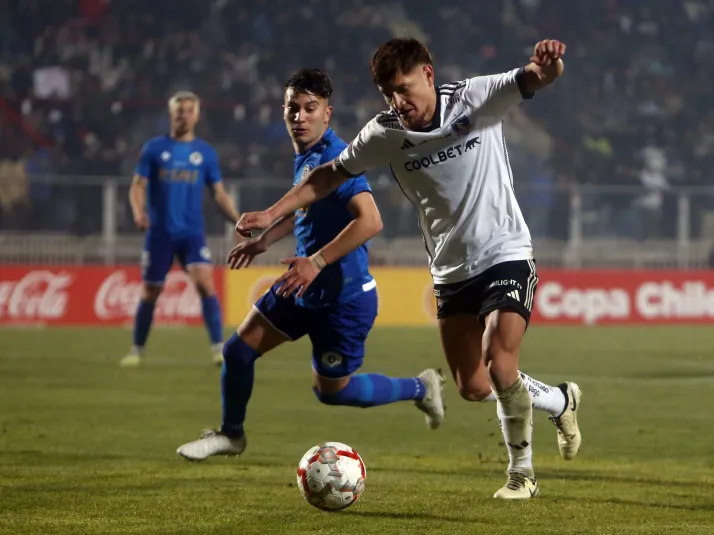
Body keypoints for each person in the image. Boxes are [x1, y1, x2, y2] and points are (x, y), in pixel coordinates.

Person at [235, 39, 582, 500]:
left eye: (403, 89)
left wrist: (549, 65)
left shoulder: (476, 97)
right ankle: (560, 400)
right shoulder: (384, 133)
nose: (398, 102)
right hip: (451, 271)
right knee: (475, 386)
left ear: (428, 75)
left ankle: (522, 474)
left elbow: (535, 77)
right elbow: (328, 176)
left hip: (506, 251)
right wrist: (270, 214)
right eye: (387, 94)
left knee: (500, 364)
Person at [176, 69, 445, 461]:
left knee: (332, 392)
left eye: (309, 109)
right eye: (293, 108)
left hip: (343, 299)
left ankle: (421, 388)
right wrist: (264, 242)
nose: (299, 117)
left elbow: (371, 221)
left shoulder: (338, 159)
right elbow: (307, 207)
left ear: (327, 114)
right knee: (237, 352)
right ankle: (231, 435)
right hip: (302, 286)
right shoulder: (306, 157)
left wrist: (316, 261)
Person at [121, 91, 240, 367]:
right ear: (170, 114)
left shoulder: (205, 153)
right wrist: (139, 212)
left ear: (196, 115)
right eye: (178, 110)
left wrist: (238, 221)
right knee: (150, 292)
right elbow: (137, 185)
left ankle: (217, 348)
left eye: (188, 110)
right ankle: (137, 350)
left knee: (205, 284)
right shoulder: (153, 149)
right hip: (159, 234)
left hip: (191, 233)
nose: (183, 114)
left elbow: (219, 193)